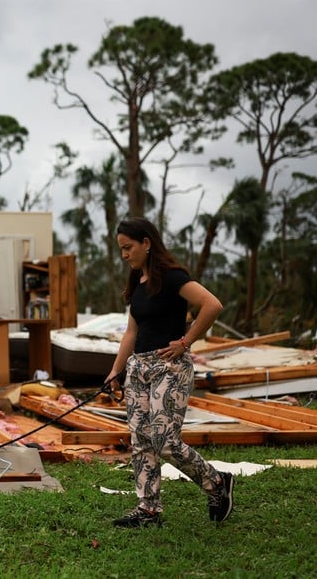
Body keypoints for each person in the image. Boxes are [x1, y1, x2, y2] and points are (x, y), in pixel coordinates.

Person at [106, 217, 233, 528]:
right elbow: (131, 331)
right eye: (121, 249)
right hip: (138, 368)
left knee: (164, 440)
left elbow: (212, 305)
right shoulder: (136, 283)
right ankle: (148, 509)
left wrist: (185, 341)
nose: (125, 255)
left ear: (147, 243)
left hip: (170, 366)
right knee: (141, 440)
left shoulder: (174, 278)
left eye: (128, 247)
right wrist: (115, 370)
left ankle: (216, 482)